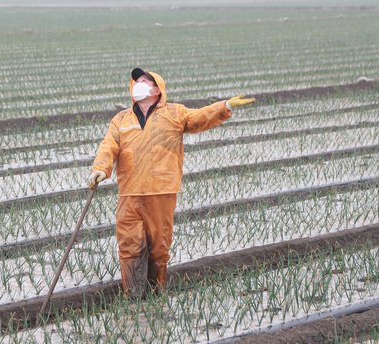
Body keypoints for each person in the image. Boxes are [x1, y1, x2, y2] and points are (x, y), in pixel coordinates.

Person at [88, 68, 255, 297]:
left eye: (144, 80)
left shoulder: (175, 113)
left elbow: (199, 118)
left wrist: (224, 106)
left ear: (157, 88)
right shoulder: (121, 119)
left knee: (158, 247)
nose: (138, 83)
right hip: (130, 192)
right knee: (129, 244)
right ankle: (133, 295)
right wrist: (100, 170)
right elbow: (109, 146)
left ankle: (156, 293)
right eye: (136, 81)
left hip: (161, 190)